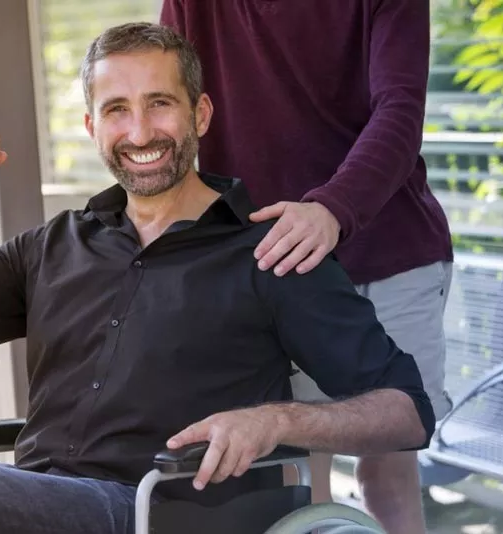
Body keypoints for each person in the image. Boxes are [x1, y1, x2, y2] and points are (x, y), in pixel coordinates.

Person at [0, 22, 434, 534]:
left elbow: (408, 412)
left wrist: (274, 421)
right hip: (39, 496)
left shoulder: (269, 252)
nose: (140, 131)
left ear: (201, 114)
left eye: (160, 104)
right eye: (117, 110)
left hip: (159, 508)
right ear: (92, 127)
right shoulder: (56, 245)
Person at [159, 2, 454, 533]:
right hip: (267, 266)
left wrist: (333, 208)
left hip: (389, 256)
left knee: (389, 470)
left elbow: (401, 110)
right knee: (292, 478)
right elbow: (167, 105)